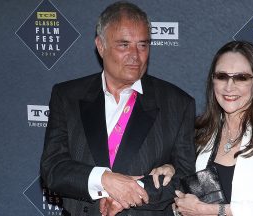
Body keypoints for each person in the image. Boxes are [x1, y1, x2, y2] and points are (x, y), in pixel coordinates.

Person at [40, 1, 196, 216]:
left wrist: (134, 191)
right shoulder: (67, 96)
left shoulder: (178, 103)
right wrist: (105, 179)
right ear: (101, 46)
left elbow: (186, 177)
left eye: (143, 45)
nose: (135, 55)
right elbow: (53, 169)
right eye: (124, 45)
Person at [153, 41, 253, 216]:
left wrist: (208, 211)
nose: (229, 87)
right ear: (212, 81)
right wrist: (172, 171)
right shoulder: (200, 131)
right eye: (222, 76)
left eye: (241, 77)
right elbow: (184, 201)